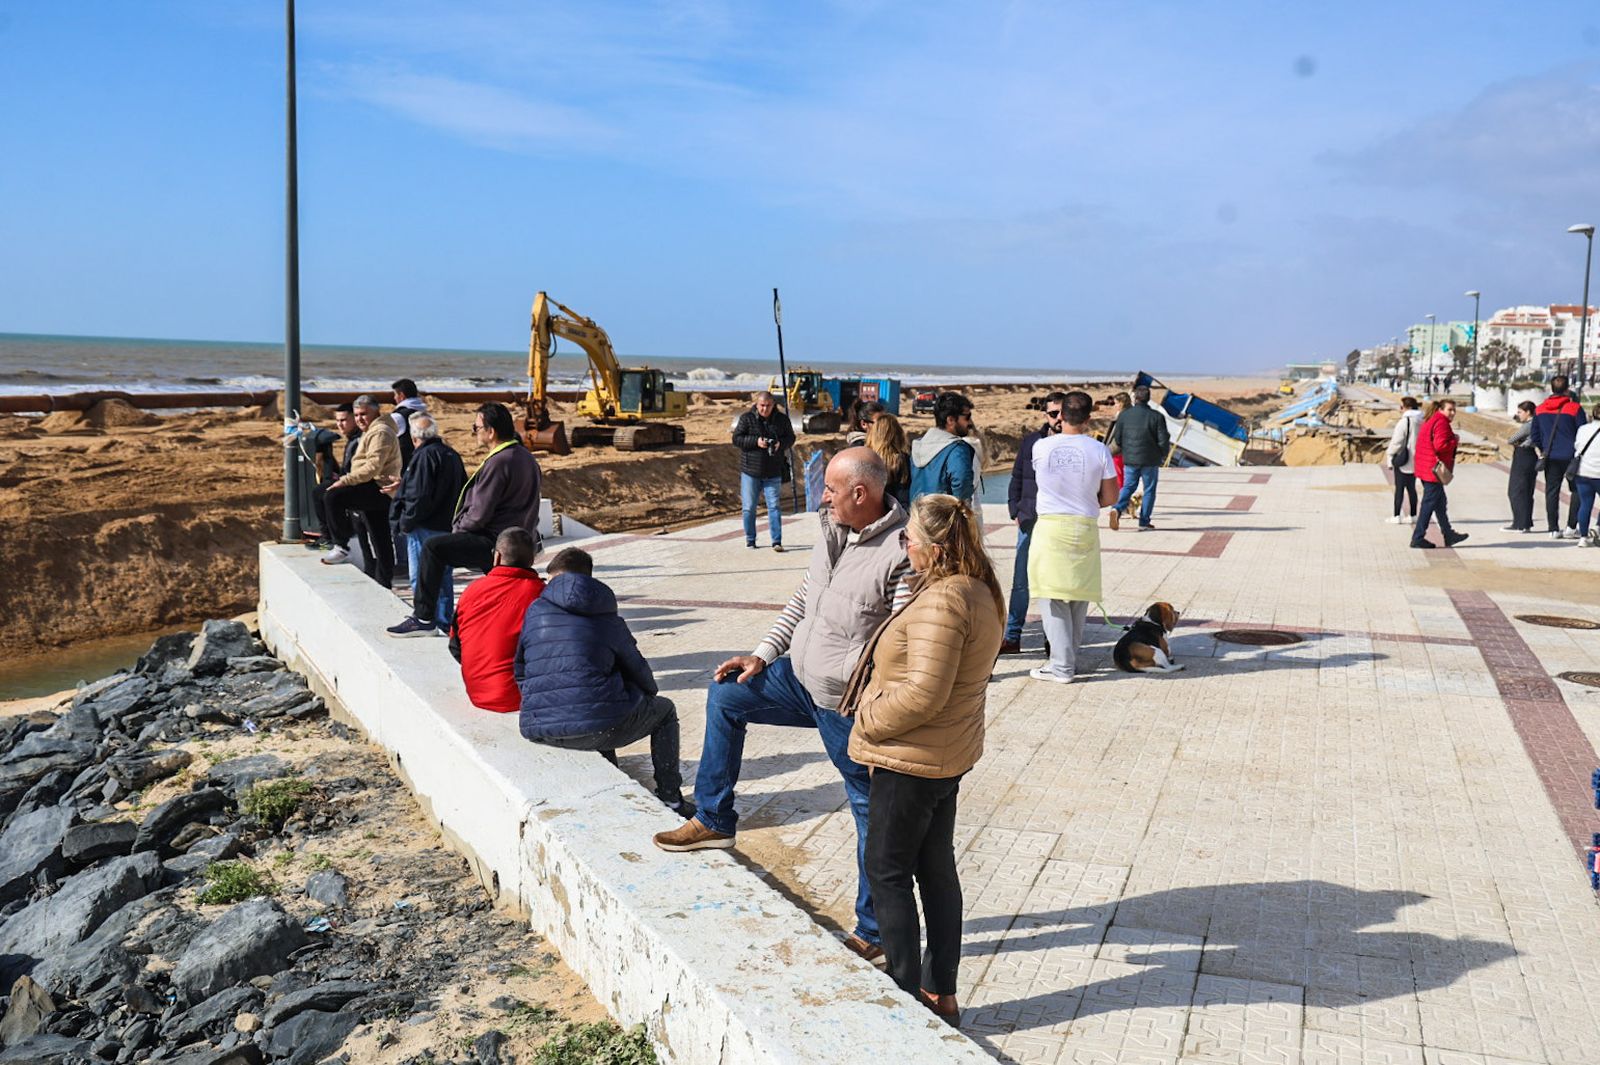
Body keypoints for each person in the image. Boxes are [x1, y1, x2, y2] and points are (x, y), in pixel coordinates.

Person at [652, 447, 911, 964]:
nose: (823, 497)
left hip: (843, 702)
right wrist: (762, 654)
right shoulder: (832, 529)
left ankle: (875, 932)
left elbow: (902, 640)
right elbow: (801, 600)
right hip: (797, 677)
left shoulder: (901, 553)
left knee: (867, 807)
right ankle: (715, 819)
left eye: (832, 490)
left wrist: (870, 700)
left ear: (861, 494)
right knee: (727, 694)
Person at [840, 494, 1003, 1025]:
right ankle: (941, 993)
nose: (902, 544)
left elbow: (923, 695)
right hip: (942, 754)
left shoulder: (943, 601)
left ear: (934, 549)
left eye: (908, 537)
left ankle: (907, 996)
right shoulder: (978, 589)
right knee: (935, 870)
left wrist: (864, 719)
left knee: (887, 872)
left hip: (912, 758)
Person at [517, 548, 693, 817]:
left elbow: (520, 667)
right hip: (597, 727)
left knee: (600, 695)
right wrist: (649, 694)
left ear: (554, 577)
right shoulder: (604, 613)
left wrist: (539, 706)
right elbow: (636, 667)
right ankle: (671, 798)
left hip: (540, 729)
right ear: (587, 577)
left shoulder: (535, 611)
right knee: (663, 710)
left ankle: (611, 770)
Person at [387, 402, 542, 637]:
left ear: (491, 431)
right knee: (497, 581)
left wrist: (459, 530)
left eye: (476, 427)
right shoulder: (525, 457)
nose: (475, 432)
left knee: (434, 548)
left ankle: (424, 617)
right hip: (519, 540)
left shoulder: (500, 461)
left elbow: (479, 513)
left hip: (495, 541)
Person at [1030, 391, 1119, 682]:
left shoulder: (1041, 448)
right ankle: (1067, 660)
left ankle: (1061, 666)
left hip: (1051, 527)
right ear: (1088, 417)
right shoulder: (1099, 450)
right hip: (1084, 525)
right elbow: (1110, 497)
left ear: (1060, 415)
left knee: (1052, 597)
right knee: (1078, 597)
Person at [383, 414, 467, 630]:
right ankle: (443, 619)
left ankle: (426, 618)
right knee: (443, 576)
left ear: (413, 437)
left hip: (426, 527)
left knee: (423, 577)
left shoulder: (424, 457)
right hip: (447, 525)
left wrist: (406, 522)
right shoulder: (451, 455)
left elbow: (419, 495)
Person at [449, 528, 546, 712]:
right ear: (532, 559)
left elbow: (455, 645)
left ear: (497, 557)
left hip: (477, 693)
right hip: (522, 697)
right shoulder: (542, 594)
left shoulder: (472, 590)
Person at [1001, 391, 1066, 655]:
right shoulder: (1030, 442)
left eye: (1062, 413)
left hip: (1058, 523)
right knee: (1021, 581)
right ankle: (1013, 636)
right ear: (1045, 415)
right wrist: (1014, 509)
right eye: (1053, 414)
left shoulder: (1072, 444)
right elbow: (1017, 476)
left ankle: (1053, 638)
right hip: (1029, 519)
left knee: (1055, 581)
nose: (1059, 418)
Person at [321, 395, 401, 588]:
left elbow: (373, 466)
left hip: (377, 487)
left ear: (376, 412)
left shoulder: (380, 431)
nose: (359, 419)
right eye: (356, 415)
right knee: (379, 536)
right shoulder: (372, 430)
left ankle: (341, 544)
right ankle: (384, 582)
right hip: (378, 488)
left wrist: (345, 481)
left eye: (364, 414)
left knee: (331, 496)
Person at [733, 391, 795, 552]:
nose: (764, 409)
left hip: (773, 471)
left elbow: (791, 438)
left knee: (774, 506)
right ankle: (750, 540)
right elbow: (737, 439)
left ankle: (776, 541)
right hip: (750, 471)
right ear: (757, 404)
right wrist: (756, 441)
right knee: (749, 507)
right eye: (762, 405)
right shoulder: (747, 418)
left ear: (773, 404)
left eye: (768, 406)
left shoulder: (782, 419)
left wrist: (780, 444)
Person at [1531, 375, 1587, 538]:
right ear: (1567, 389)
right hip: (1572, 457)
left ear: (1551, 389)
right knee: (1576, 490)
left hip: (1550, 456)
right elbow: (1582, 432)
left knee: (1552, 491)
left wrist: (1543, 449)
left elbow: (1535, 435)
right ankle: (1571, 527)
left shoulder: (1540, 409)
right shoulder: (1574, 408)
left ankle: (1553, 529)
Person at [1108, 385, 1170, 531]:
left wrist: (1128, 449)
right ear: (1148, 399)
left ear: (1135, 398)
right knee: (1149, 489)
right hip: (1150, 459)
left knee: (1128, 486)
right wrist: (1162, 454)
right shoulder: (1157, 416)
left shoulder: (1124, 415)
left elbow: (1118, 438)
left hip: (1130, 459)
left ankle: (1117, 508)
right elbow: (1163, 440)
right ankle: (1144, 522)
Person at [1411, 400, 1468, 550]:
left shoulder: (1432, 420)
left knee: (1440, 503)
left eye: (1454, 410)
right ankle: (1418, 537)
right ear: (1441, 410)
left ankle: (1448, 534)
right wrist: (1454, 441)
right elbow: (1440, 445)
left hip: (1425, 468)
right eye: (1450, 410)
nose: (1453, 413)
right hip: (1433, 471)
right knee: (1428, 504)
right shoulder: (1441, 423)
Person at [307, 402, 361, 550]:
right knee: (319, 491)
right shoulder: (352, 438)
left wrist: (343, 479)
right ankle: (327, 535)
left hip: (357, 484)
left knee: (326, 494)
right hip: (348, 479)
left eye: (343, 420)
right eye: (337, 421)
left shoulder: (359, 439)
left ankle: (335, 538)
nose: (340, 425)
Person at [910, 392, 977, 505]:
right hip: (944, 518)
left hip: (917, 516)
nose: (970, 422)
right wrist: (963, 512)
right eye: (967, 417)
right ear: (950, 420)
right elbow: (962, 483)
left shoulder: (917, 446)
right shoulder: (957, 449)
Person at [1384, 396, 1423, 525]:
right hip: (1417, 460)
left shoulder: (1404, 422)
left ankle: (1396, 516)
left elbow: (1397, 441)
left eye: (1401, 407)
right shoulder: (1421, 421)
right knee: (1412, 489)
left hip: (1404, 459)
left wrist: (1390, 454)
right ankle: (1413, 515)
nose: (1400, 410)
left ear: (1407, 408)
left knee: (1399, 489)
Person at [1504, 401, 1539, 533]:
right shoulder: (1537, 423)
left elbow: (1511, 439)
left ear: (1528, 412)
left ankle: (1519, 524)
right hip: (1531, 457)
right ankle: (1526, 523)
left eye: (1520, 412)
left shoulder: (1527, 426)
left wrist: (1518, 441)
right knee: (1527, 491)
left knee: (1516, 491)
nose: (1518, 415)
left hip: (1523, 456)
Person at [866, 412, 911, 510]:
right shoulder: (903, 460)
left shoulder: (865, 458)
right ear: (897, 433)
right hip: (897, 515)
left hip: (870, 514)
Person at [1571, 404, 1600, 546]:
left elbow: (1577, 446)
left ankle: (1583, 537)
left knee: (1585, 504)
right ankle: (1598, 526)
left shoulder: (1582, 429)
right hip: (1599, 473)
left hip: (1583, 472)